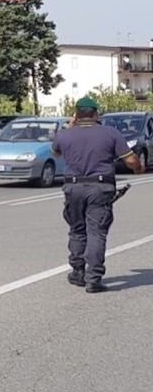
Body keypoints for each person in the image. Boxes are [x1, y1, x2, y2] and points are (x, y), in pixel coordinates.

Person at [51, 96, 144, 293]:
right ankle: (93, 278)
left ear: (76, 114)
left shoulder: (64, 134)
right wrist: (138, 168)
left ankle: (78, 272)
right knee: (96, 232)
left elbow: (55, 152)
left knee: (77, 230)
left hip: (73, 188)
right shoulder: (110, 133)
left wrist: (69, 127)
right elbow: (130, 160)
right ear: (96, 113)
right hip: (100, 188)